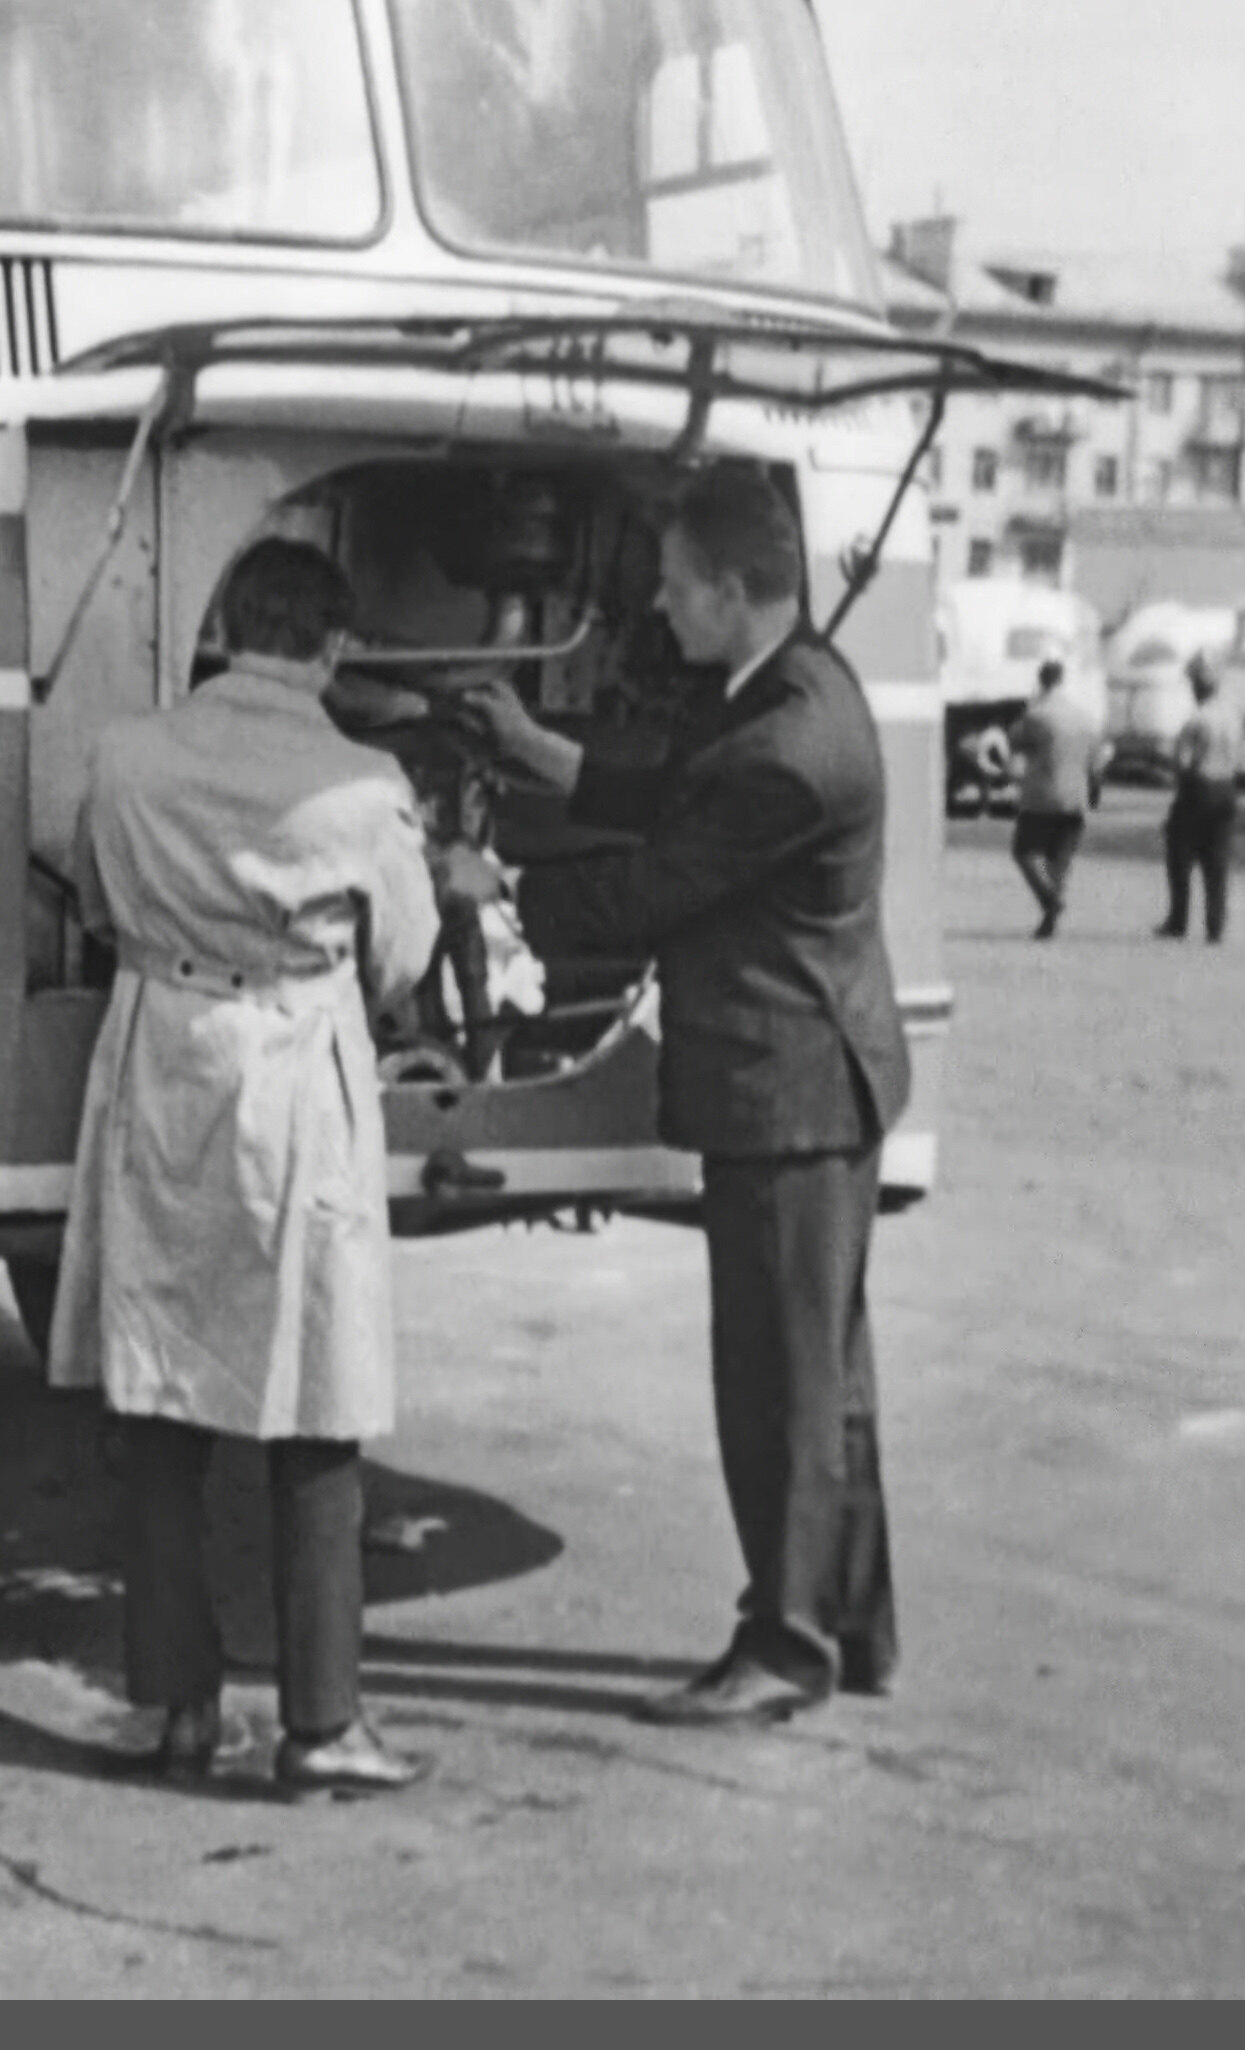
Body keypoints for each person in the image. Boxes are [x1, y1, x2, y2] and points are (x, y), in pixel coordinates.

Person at [464, 465, 905, 1729]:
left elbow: (655, 885)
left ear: (727, 587)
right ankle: (853, 1626)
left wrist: (485, 889)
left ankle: (785, 1645)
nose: (652, 607)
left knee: (778, 1381)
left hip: (790, 1094)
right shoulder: (786, 679)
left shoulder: (785, 746)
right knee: (830, 1378)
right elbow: (677, 780)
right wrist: (544, 751)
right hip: (815, 1083)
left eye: (669, 586)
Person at [49, 538, 445, 1794]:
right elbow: (403, 959)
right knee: (314, 1389)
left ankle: (177, 1708)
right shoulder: (363, 780)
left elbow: (98, 900)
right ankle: (322, 1720)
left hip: (160, 1048)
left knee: (158, 1389)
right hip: (293, 1069)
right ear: (333, 649)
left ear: (223, 624)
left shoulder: (127, 753)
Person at [1006, 656, 1101, 939]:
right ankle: (1049, 918)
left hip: (1041, 795)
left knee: (1024, 851)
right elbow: (1095, 760)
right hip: (1076, 796)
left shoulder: (1037, 715)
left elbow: (1014, 741)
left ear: (1041, 680)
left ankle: (1050, 901)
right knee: (1060, 860)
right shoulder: (1085, 716)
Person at [1158, 653, 1245, 943]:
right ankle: (1215, 925)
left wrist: (1180, 783)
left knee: (1180, 855)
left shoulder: (1197, 719)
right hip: (1227, 789)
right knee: (1217, 860)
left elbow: (1181, 762)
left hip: (1198, 788)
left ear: (1197, 686)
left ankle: (1178, 919)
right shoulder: (1233, 716)